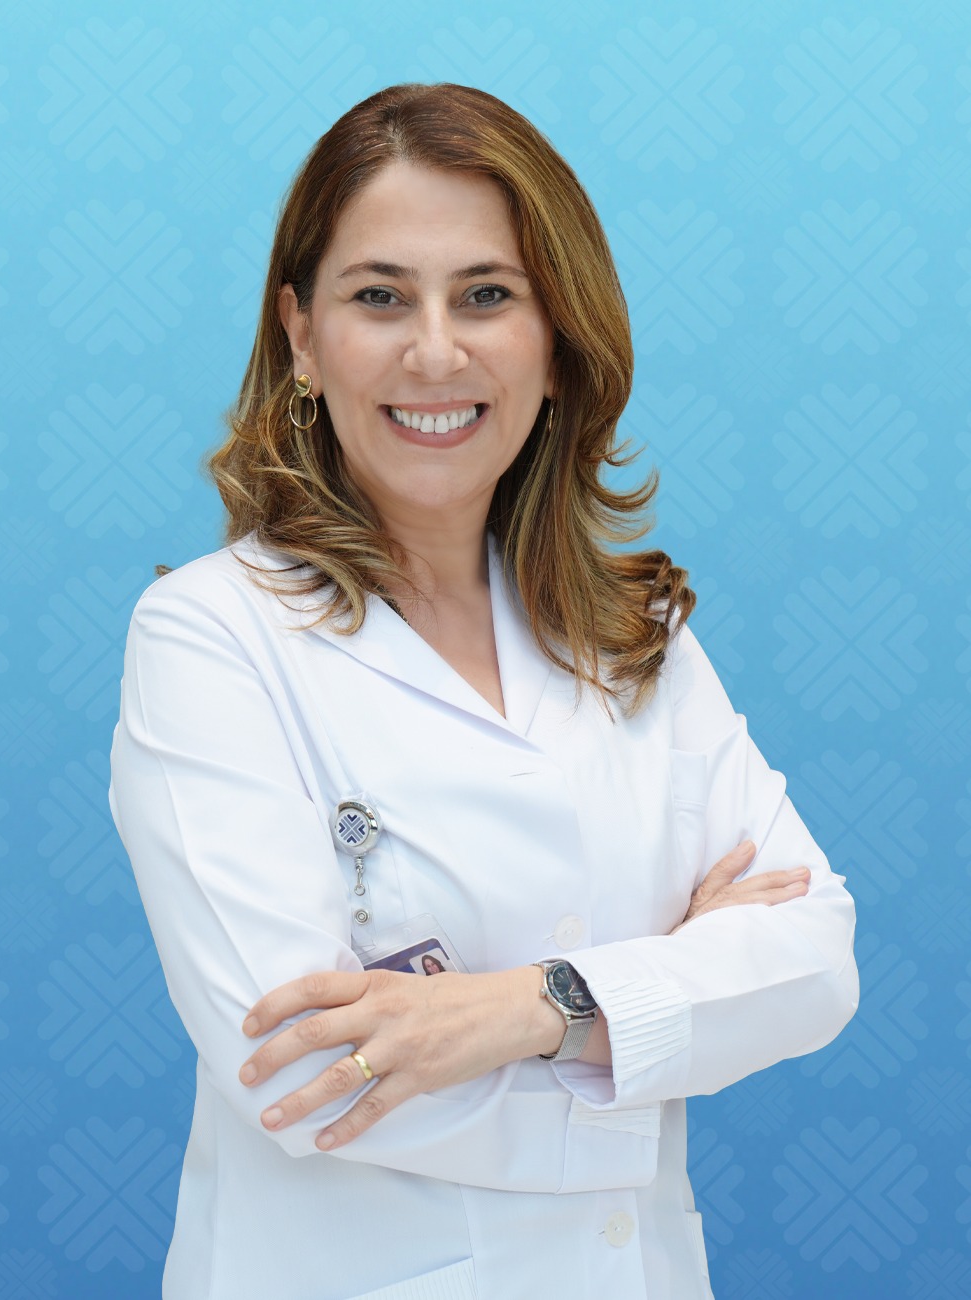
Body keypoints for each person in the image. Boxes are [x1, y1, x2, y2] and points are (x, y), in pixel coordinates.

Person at [109, 83, 858, 1300]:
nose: (435, 352)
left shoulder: (633, 634)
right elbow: (301, 1074)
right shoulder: (211, 638)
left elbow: (815, 958)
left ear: (557, 341)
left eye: (487, 295)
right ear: (300, 336)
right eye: (379, 296)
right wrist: (658, 1020)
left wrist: (526, 1010)